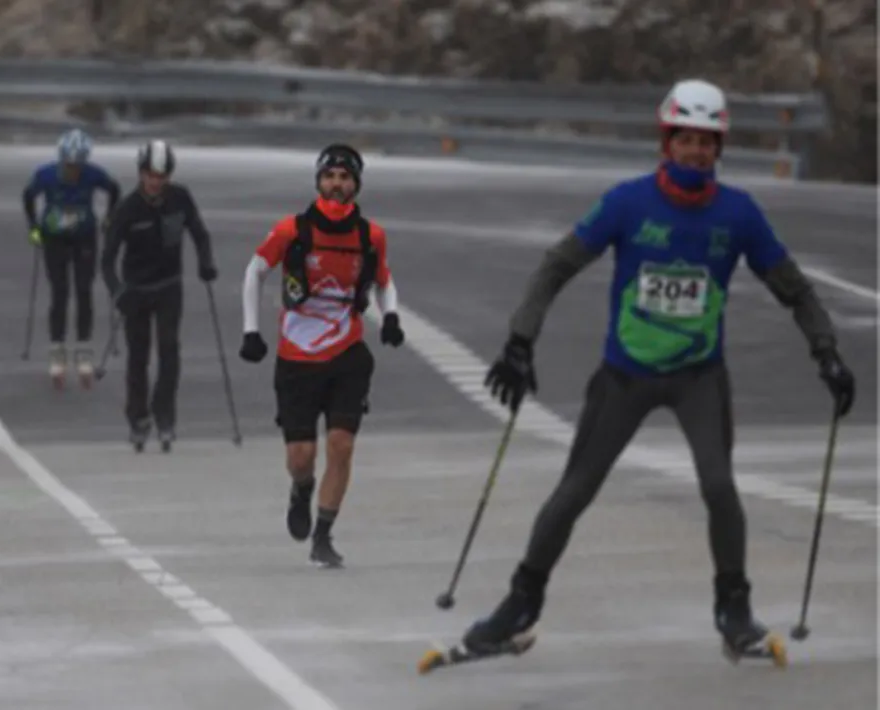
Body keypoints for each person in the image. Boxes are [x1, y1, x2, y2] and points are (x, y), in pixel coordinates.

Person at [463, 79, 857, 661]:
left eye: (707, 141)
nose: (696, 151)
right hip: (625, 375)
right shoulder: (628, 203)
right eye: (686, 139)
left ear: (719, 148)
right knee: (576, 490)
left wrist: (826, 353)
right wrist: (521, 340)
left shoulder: (738, 214)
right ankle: (520, 605)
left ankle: (734, 611)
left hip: (699, 376)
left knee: (719, 487)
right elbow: (556, 266)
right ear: (666, 142)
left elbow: (794, 290)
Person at [239, 143, 405, 568]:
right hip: (296, 359)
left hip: (347, 355)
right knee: (301, 457)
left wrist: (390, 317)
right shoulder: (292, 231)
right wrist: (251, 331)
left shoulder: (370, 236)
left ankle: (324, 535)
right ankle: (302, 488)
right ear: (318, 182)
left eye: (345, 178)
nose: (337, 184)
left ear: (356, 185)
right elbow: (255, 271)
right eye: (330, 176)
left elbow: (384, 280)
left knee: (341, 444)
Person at [101, 140, 218, 452]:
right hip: (136, 291)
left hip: (169, 286)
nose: (156, 182)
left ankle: (164, 413)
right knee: (138, 356)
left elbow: (200, 233)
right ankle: (138, 418)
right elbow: (107, 259)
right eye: (151, 175)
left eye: (162, 176)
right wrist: (117, 291)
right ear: (141, 174)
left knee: (169, 350)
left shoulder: (180, 198)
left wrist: (206, 263)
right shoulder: (127, 209)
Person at [22, 128, 121, 388]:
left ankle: (84, 352)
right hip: (54, 239)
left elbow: (114, 189)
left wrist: (109, 218)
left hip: (84, 238)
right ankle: (57, 352)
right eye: (69, 165)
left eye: (77, 166)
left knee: (84, 291)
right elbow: (28, 195)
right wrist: (33, 227)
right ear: (61, 159)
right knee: (60, 292)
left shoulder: (92, 174)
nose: (73, 170)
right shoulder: (45, 175)